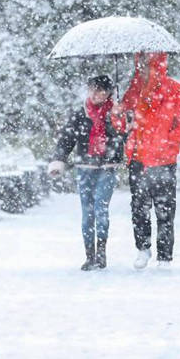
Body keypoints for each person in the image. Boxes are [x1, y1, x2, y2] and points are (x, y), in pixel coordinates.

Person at [113, 52, 180, 270]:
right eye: (139, 65)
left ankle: (165, 256)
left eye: (146, 65)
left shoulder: (175, 91)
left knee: (165, 209)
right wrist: (117, 114)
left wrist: (167, 143)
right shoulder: (134, 91)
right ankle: (143, 247)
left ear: (157, 66)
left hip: (163, 160)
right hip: (137, 159)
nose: (142, 70)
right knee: (139, 208)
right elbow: (122, 126)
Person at [48, 75, 125, 271]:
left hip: (107, 168)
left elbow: (126, 136)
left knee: (101, 207)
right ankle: (89, 255)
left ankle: (101, 252)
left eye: (100, 90)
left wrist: (119, 119)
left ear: (109, 93)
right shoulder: (80, 114)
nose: (96, 93)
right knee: (87, 213)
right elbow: (66, 140)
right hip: (85, 168)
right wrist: (58, 161)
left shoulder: (115, 114)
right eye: (92, 89)